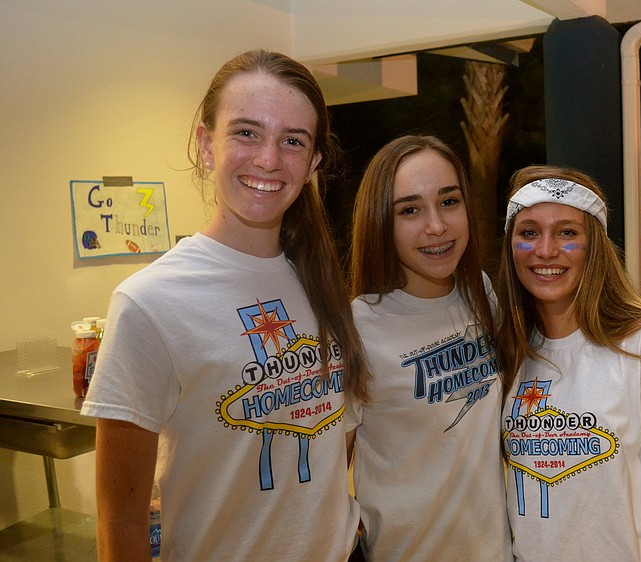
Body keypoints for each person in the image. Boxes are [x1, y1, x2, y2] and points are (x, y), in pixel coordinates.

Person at [82, 50, 369, 561]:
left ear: (313, 163)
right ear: (205, 144)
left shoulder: (322, 283)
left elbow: (332, 442)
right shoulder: (148, 303)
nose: (268, 160)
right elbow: (119, 521)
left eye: (293, 141)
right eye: (246, 132)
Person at [497, 165, 641, 561]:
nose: (546, 250)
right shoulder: (507, 351)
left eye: (567, 233)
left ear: (595, 246)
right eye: (529, 232)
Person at [346, 135, 512, 561]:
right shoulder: (356, 327)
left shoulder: (482, 294)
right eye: (410, 210)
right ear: (380, 221)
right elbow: (327, 475)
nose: (436, 225)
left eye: (449, 201)